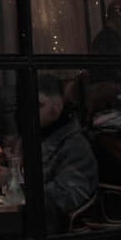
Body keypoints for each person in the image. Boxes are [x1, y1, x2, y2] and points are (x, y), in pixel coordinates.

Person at [35, 76, 99, 230]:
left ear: (57, 107)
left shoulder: (75, 145)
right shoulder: (36, 138)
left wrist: (21, 186)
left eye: (38, 105)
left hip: (55, 231)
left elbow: (67, 196)